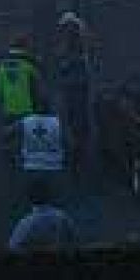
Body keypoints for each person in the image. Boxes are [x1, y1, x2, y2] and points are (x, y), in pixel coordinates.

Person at [0, 37, 48, 176]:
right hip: (27, 109)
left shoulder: (1, 68)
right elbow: (40, 88)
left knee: (10, 138)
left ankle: (12, 164)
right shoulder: (29, 67)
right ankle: (27, 168)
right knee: (27, 140)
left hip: (9, 110)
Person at [55, 12, 93, 177]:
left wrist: (64, 65)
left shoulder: (73, 41)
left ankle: (77, 152)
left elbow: (68, 62)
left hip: (74, 85)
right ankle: (79, 150)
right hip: (77, 84)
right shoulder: (79, 38)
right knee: (78, 118)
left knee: (75, 118)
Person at [8, 177, 77, 253]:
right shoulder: (64, 218)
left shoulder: (26, 223)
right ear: (49, 195)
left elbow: (13, 247)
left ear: (29, 197)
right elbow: (74, 243)